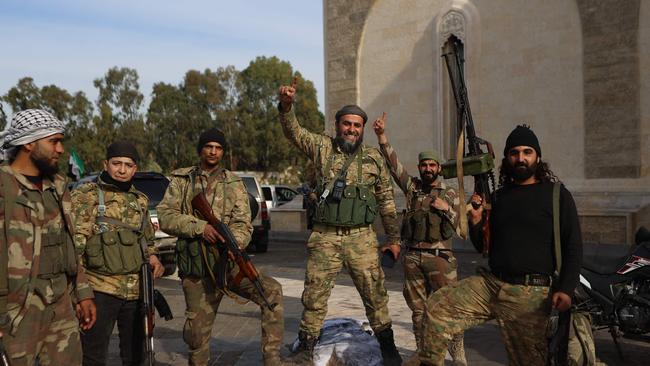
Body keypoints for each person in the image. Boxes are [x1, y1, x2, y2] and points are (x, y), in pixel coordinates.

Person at [419, 125, 583, 366]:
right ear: (507, 158)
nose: (521, 158)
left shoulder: (557, 195)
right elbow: (484, 247)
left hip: (529, 293)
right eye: (514, 153)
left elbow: (573, 245)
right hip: (490, 284)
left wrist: (567, 289)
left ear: (537, 156)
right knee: (437, 307)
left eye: (527, 152)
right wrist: (475, 222)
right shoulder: (499, 197)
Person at [278, 79, 402, 365]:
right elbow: (294, 132)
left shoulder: (373, 158)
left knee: (375, 294)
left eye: (357, 125)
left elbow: (385, 201)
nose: (352, 129)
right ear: (337, 126)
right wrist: (287, 106)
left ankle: (388, 346)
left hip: (362, 238)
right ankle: (307, 345)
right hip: (326, 237)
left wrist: (394, 240)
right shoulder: (322, 148)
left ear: (362, 129)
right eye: (347, 124)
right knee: (314, 295)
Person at [156, 128, 286, 366]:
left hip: (229, 264)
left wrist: (233, 242)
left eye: (218, 148)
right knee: (197, 334)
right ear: (201, 149)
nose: (213, 152)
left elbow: (243, 223)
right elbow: (165, 215)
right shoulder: (182, 180)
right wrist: (200, 227)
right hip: (198, 269)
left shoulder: (234, 183)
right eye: (209, 147)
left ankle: (272, 358)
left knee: (272, 293)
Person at [0, 109, 96, 365]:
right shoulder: (4, 186)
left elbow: (70, 243)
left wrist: (83, 293)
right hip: (15, 312)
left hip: (60, 304)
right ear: (29, 143)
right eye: (53, 141)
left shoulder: (58, 186)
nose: (61, 149)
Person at [372, 114, 466, 365]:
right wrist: (382, 137)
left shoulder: (449, 193)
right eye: (424, 165)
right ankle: (423, 352)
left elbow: (462, 227)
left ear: (438, 168)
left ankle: (457, 355)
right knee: (418, 312)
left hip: (441, 259)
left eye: (432, 165)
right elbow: (394, 166)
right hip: (413, 257)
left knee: (450, 308)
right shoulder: (412, 188)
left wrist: (446, 208)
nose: (427, 169)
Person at [71, 141, 164, 366]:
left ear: (135, 168)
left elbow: (147, 240)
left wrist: (153, 257)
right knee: (93, 356)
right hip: (99, 290)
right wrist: (79, 294)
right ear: (106, 164)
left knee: (136, 356)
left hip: (135, 292)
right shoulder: (86, 195)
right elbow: (75, 248)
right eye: (117, 164)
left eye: (128, 165)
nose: (122, 170)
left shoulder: (140, 200)